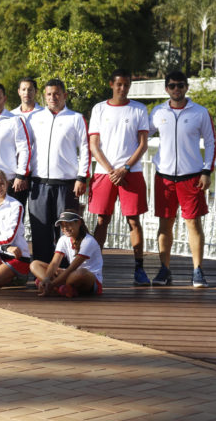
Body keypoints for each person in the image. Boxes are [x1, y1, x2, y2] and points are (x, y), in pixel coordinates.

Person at [149, 71, 216, 287]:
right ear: (166, 89)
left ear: (186, 87)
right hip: (164, 177)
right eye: (172, 86)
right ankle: (164, 270)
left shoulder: (200, 112)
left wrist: (207, 171)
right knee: (165, 224)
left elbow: (211, 142)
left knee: (193, 224)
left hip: (192, 177)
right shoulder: (158, 112)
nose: (176, 89)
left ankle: (197, 270)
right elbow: (142, 135)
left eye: (180, 85)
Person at [88, 69, 150, 286]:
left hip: (131, 172)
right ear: (111, 85)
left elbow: (143, 144)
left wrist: (125, 168)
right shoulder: (99, 108)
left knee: (133, 220)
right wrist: (111, 170)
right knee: (102, 220)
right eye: (119, 84)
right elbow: (94, 145)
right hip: (104, 173)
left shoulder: (139, 109)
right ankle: (94, 267)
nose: (123, 89)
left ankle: (139, 268)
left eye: (126, 85)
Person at [27, 79, 90, 263]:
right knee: (40, 230)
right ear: (44, 96)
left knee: (67, 230)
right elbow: (25, 146)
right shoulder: (35, 118)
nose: (52, 97)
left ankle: (65, 270)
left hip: (66, 184)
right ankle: (41, 271)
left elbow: (85, 148)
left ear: (64, 95)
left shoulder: (76, 118)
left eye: (56, 94)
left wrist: (81, 177)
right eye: (49, 94)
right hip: (38, 182)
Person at [30, 211, 103, 298]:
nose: (65, 228)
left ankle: (55, 287)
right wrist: (46, 278)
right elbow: (54, 263)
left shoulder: (88, 241)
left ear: (79, 223)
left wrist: (52, 284)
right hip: (70, 274)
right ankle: (63, 288)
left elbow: (72, 268)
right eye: (62, 225)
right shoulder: (63, 239)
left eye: (69, 224)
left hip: (89, 279)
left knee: (81, 273)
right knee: (34, 264)